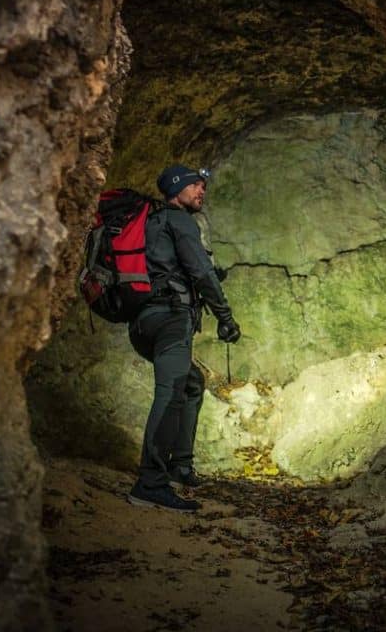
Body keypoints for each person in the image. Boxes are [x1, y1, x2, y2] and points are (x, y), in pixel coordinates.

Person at [126, 164, 241, 512]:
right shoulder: (179, 221)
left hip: (143, 324)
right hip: (171, 320)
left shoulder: (151, 224)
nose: (201, 191)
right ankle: (150, 482)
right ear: (176, 189)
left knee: (191, 383)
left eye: (203, 187)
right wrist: (225, 318)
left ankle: (180, 465)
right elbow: (202, 273)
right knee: (171, 391)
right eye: (194, 186)